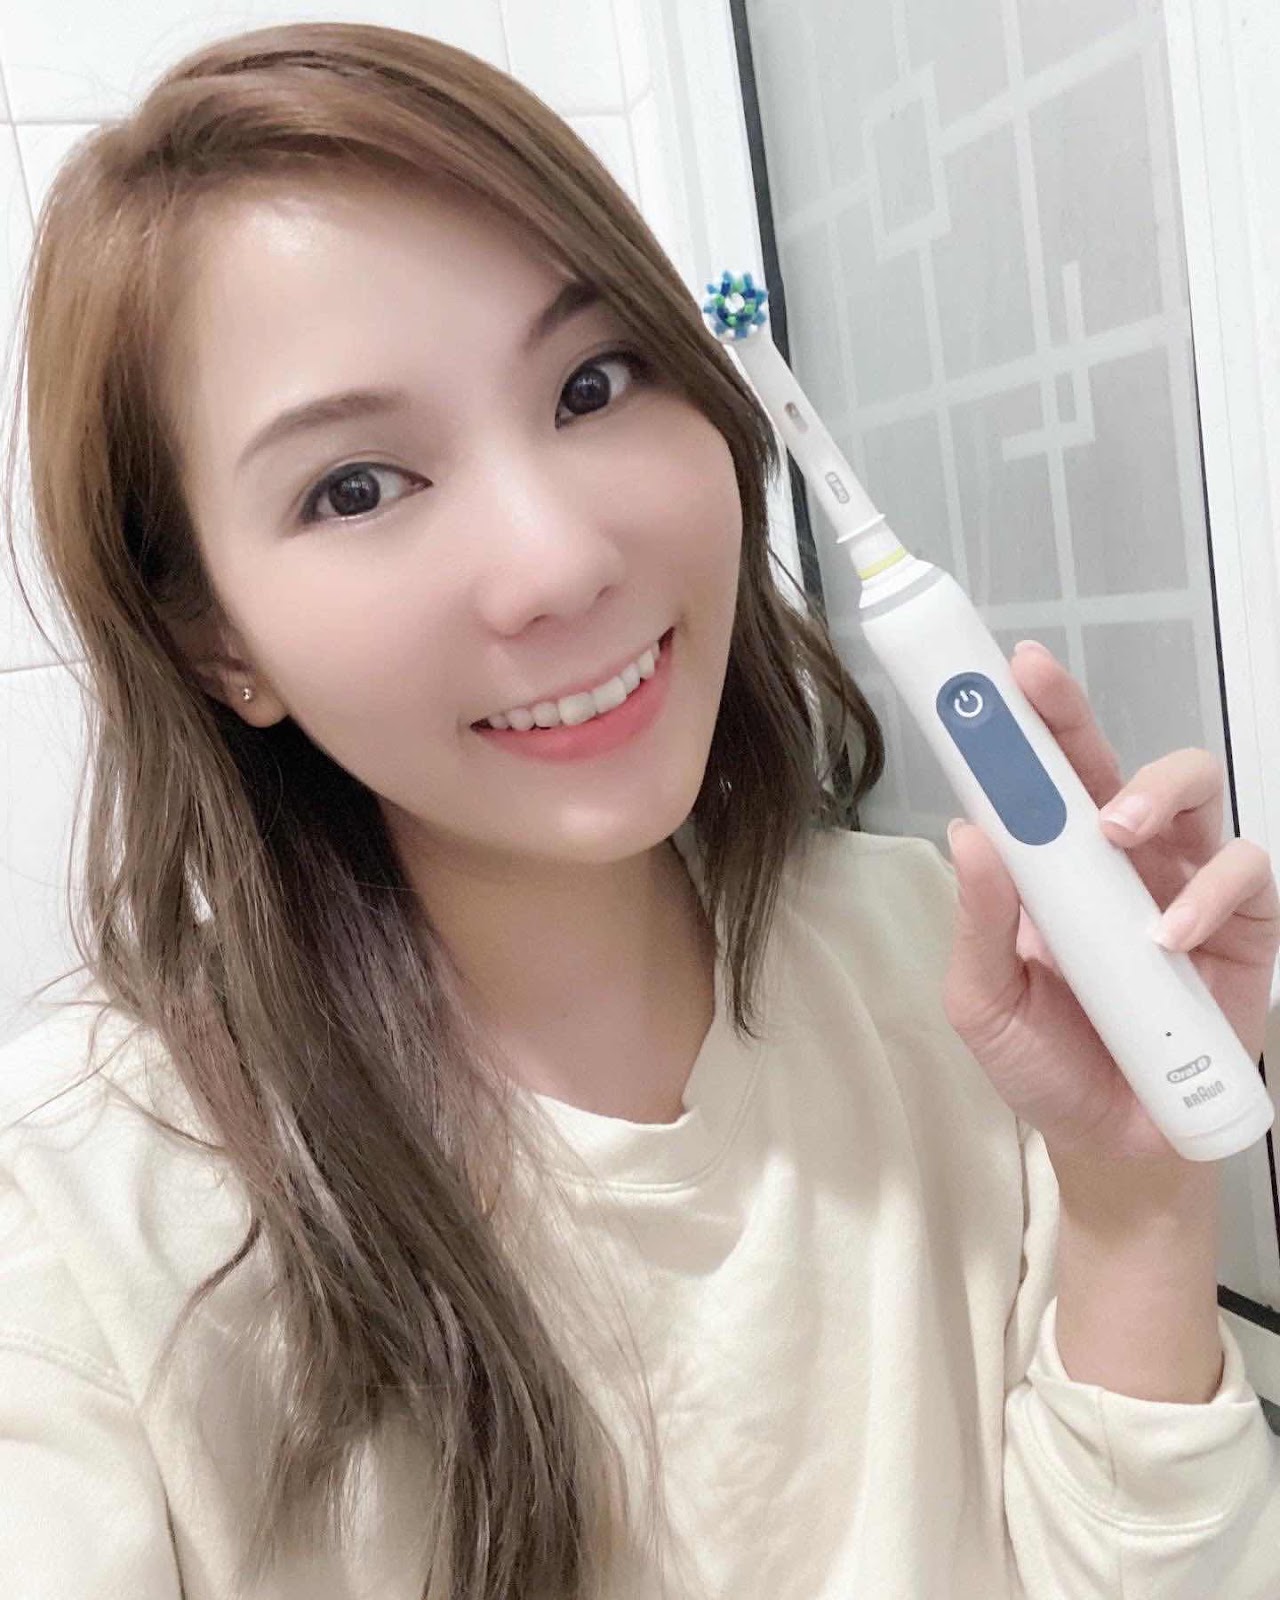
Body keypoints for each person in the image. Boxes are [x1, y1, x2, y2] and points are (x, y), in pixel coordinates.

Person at [0, 21, 1277, 1600]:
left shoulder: (972, 980)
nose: (560, 562)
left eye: (592, 384)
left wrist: (1136, 1195)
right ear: (213, 639)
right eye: (356, 487)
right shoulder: (76, 1222)